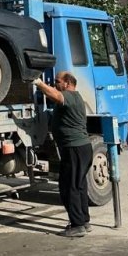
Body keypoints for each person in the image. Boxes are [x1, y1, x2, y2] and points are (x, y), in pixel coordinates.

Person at [34, 72, 93, 237]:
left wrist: (38, 82)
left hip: (74, 148)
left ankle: (77, 225)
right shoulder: (75, 97)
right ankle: (84, 221)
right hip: (80, 148)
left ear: (67, 83)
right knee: (79, 185)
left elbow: (56, 95)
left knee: (69, 187)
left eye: (57, 81)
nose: (54, 84)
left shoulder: (70, 96)